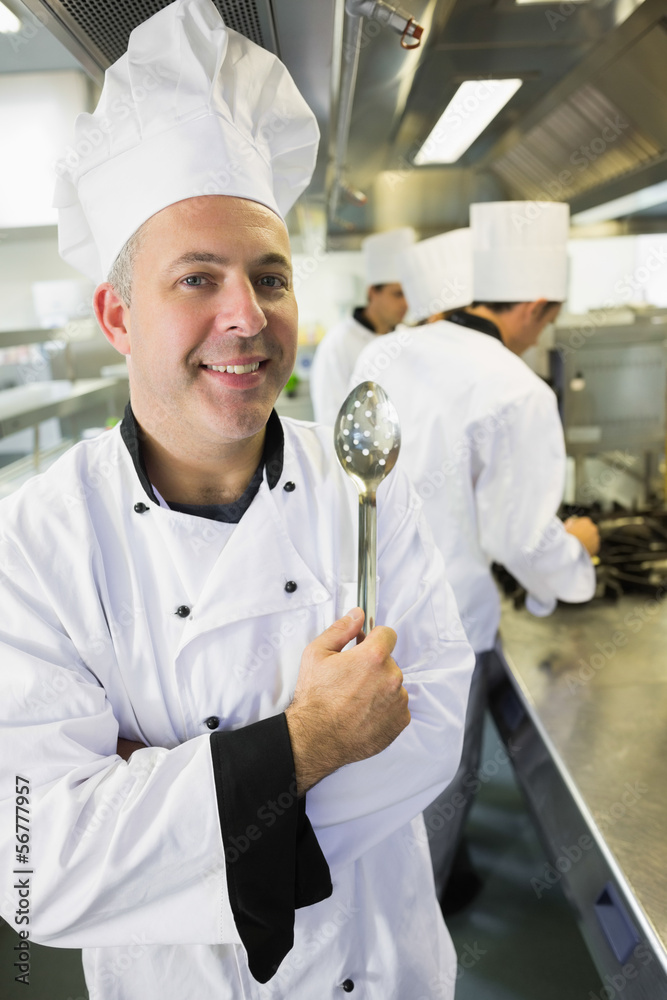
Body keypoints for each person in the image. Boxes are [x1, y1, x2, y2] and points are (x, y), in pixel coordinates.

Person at [0, 3, 475, 998]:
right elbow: (38, 865)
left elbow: (429, 727)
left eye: (270, 276)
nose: (246, 315)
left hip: (380, 973)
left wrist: (157, 783)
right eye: (198, 278)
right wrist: (312, 738)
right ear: (118, 314)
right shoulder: (35, 540)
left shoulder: (367, 483)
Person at [351, 205, 600, 911]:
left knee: (380, 787)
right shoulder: (518, 388)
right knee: (438, 786)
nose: (538, 335)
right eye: (545, 320)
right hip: (449, 624)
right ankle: (413, 940)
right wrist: (575, 555)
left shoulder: (384, 353)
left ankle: (382, 923)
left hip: (368, 609)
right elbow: (516, 538)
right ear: (531, 305)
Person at [308, 227, 414, 425]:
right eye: (398, 294)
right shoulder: (338, 343)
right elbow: (330, 416)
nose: (406, 303)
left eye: (409, 294)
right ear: (373, 292)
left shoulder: (407, 337)